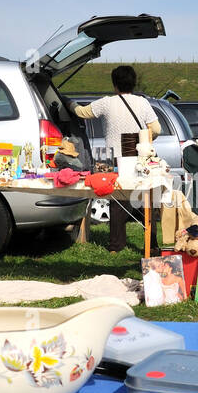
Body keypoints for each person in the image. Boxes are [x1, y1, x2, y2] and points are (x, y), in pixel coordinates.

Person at [70, 65, 160, 253]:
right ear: (133, 82)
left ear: (114, 84)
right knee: (146, 201)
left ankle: (115, 246)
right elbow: (157, 129)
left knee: (118, 201)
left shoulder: (107, 103)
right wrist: (144, 139)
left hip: (115, 158)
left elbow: (82, 112)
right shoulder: (142, 103)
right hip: (139, 157)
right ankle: (151, 245)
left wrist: (68, 103)